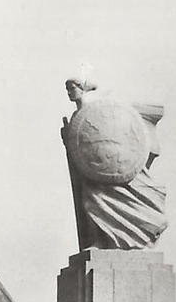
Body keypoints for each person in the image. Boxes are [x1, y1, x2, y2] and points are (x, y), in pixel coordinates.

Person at [61, 70, 169, 251]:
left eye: (72, 88)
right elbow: (78, 150)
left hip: (110, 172)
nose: (69, 92)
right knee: (91, 204)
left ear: (81, 88)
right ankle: (100, 241)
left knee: (96, 204)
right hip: (91, 174)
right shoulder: (76, 118)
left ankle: (119, 239)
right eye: (67, 89)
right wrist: (67, 137)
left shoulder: (98, 110)